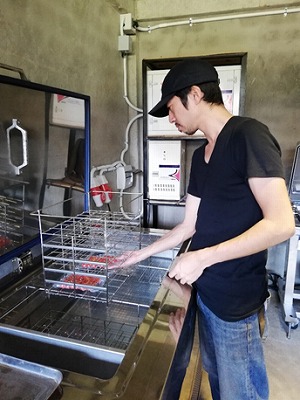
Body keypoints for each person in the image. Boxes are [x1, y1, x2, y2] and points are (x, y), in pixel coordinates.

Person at [117, 58, 295, 399]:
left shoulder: (249, 136)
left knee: (239, 392)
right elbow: (189, 225)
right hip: (206, 296)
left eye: (171, 108)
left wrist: (202, 258)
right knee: (216, 381)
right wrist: (140, 253)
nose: (171, 118)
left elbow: (281, 223)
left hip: (235, 306)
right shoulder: (201, 156)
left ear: (195, 94)